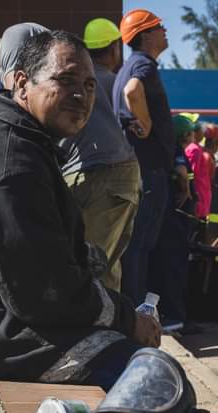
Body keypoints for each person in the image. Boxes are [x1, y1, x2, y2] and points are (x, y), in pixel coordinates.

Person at [0, 31, 162, 390]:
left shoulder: (20, 141)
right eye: (65, 80)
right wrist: (127, 320)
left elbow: (49, 263)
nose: (81, 95)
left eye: (90, 85)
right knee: (147, 376)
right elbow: (46, 295)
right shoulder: (12, 165)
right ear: (23, 84)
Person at [59, 18, 140, 292]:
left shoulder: (75, 81)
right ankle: (105, 328)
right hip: (113, 173)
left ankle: (102, 329)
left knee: (93, 262)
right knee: (102, 264)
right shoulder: (111, 81)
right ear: (116, 47)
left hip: (88, 173)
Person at [113, 9, 177, 306]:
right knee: (140, 246)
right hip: (149, 171)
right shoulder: (143, 67)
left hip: (139, 168)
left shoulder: (127, 66)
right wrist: (147, 123)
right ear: (146, 35)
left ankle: (132, 311)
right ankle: (136, 314)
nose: (164, 31)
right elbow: (132, 91)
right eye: (159, 27)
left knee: (134, 246)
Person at [147, 114, 197, 331]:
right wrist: (186, 188)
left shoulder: (164, 151)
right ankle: (175, 318)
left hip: (171, 220)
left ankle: (178, 317)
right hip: (175, 222)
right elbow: (181, 172)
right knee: (173, 270)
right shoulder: (176, 153)